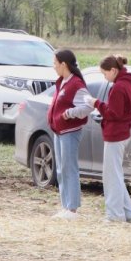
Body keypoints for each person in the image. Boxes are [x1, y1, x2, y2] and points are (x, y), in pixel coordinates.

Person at [91, 54, 131, 223]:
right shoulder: (128, 83)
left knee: (111, 176)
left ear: (113, 70)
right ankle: (130, 214)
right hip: (123, 132)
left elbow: (113, 114)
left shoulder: (118, 87)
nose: (104, 77)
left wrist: (96, 103)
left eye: (104, 74)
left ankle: (114, 215)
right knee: (115, 174)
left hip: (115, 134)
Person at [46, 49, 94, 219]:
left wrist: (71, 113)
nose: (54, 67)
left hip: (70, 132)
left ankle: (72, 208)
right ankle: (65, 206)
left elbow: (88, 106)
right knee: (60, 168)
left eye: (55, 63)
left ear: (63, 64)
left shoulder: (76, 85)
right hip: (58, 131)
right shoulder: (62, 82)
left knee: (69, 168)